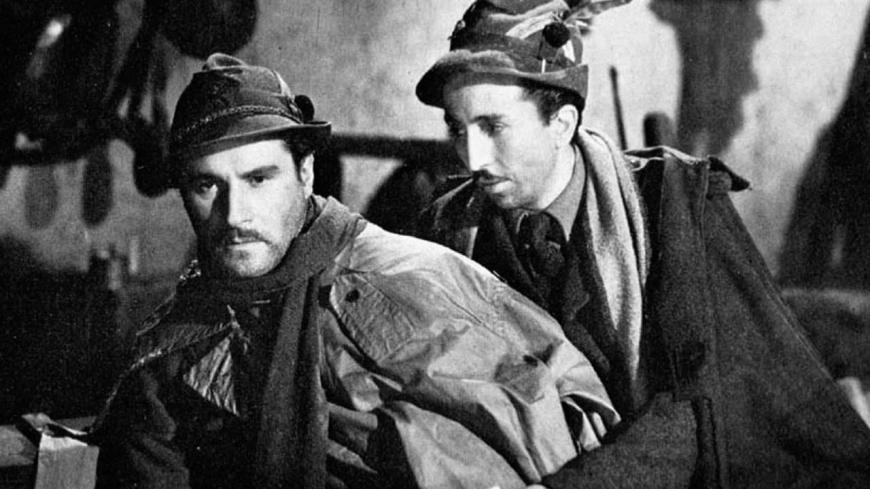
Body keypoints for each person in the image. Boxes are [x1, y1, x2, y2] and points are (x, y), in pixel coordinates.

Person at [90, 53, 621, 489]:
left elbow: (579, 409)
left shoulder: (413, 278)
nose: (235, 215)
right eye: (207, 186)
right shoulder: (168, 351)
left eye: (258, 179)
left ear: (305, 173)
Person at [414, 1, 870, 487]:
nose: (473, 158)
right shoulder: (452, 230)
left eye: (493, 126)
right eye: (458, 129)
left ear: (562, 124)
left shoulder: (672, 211)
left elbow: (700, 412)